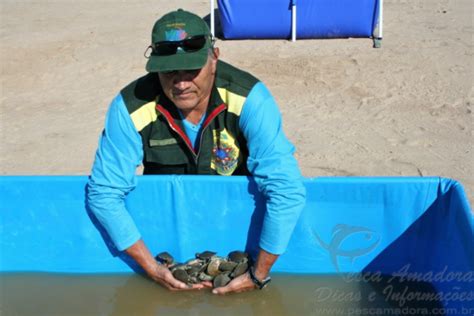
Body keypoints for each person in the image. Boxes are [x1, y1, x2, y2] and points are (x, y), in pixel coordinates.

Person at [87, 9, 306, 295]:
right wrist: (151, 268)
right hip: (167, 235)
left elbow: (286, 190)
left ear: (214, 58)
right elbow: (104, 193)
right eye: (169, 71)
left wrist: (258, 273)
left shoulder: (250, 98)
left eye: (191, 69)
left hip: (237, 225)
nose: (180, 83)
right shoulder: (128, 108)